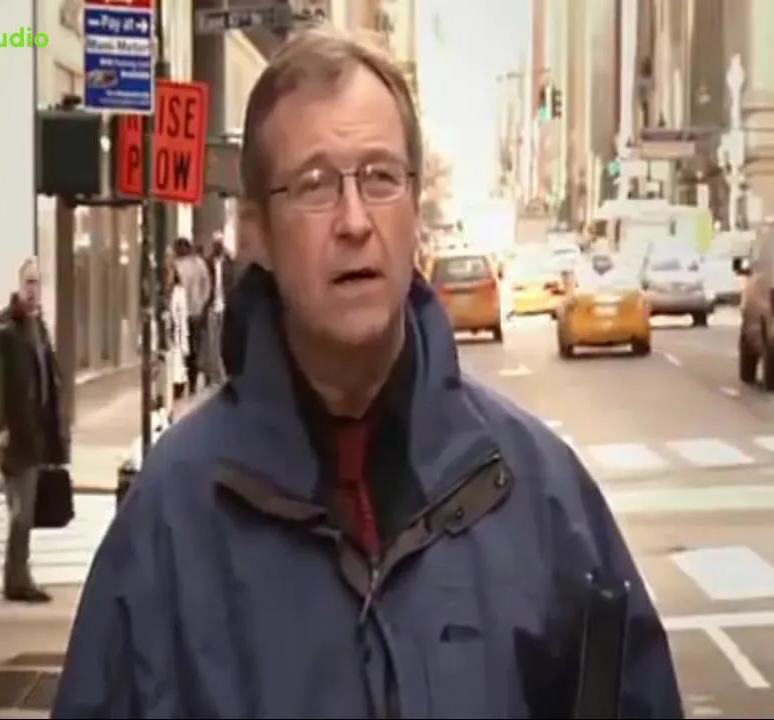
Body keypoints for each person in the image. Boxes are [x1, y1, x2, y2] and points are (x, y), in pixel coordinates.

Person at [53, 29, 683, 719]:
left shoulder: (541, 496)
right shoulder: (171, 522)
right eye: (315, 185)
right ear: (255, 230)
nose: (354, 221)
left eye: (380, 178)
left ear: (415, 210)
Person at [0, 257, 68, 604]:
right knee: (21, 513)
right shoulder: (3, 328)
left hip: (36, 432)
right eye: (28, 282)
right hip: (15, 433)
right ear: (19, 285)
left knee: (26, 511)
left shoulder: (38, 326)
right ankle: (17, 579)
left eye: (37, 282)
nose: (33, 289)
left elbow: (49, 376)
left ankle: (17, 576)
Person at [173, 237, 211, 394]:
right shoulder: (176, 264)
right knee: (183, 349)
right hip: (183, 312)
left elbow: (206, 284)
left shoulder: (197, 264)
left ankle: (190, 382)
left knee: (190, 348)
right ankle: (183, 383)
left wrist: (201, 303)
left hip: (192, 312)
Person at [204, 231, 237, 386]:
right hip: (212, 305)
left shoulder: (229, 262)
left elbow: (233, 282)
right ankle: (214, 375)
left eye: (220, 243)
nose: (218, 246)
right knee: (212, 342)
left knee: (224, 340)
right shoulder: (209, 262)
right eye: (215, 243)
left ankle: (224, 373)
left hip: (225, 304)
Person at [166, 264, 191, 402]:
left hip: (176, 332)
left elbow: (182, 316)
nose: (168, 277)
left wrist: (184, 338)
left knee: (177, 361)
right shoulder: (162, 292)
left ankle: (178, 385)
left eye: (170, 273)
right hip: (166, 333)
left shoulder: (179, 292)